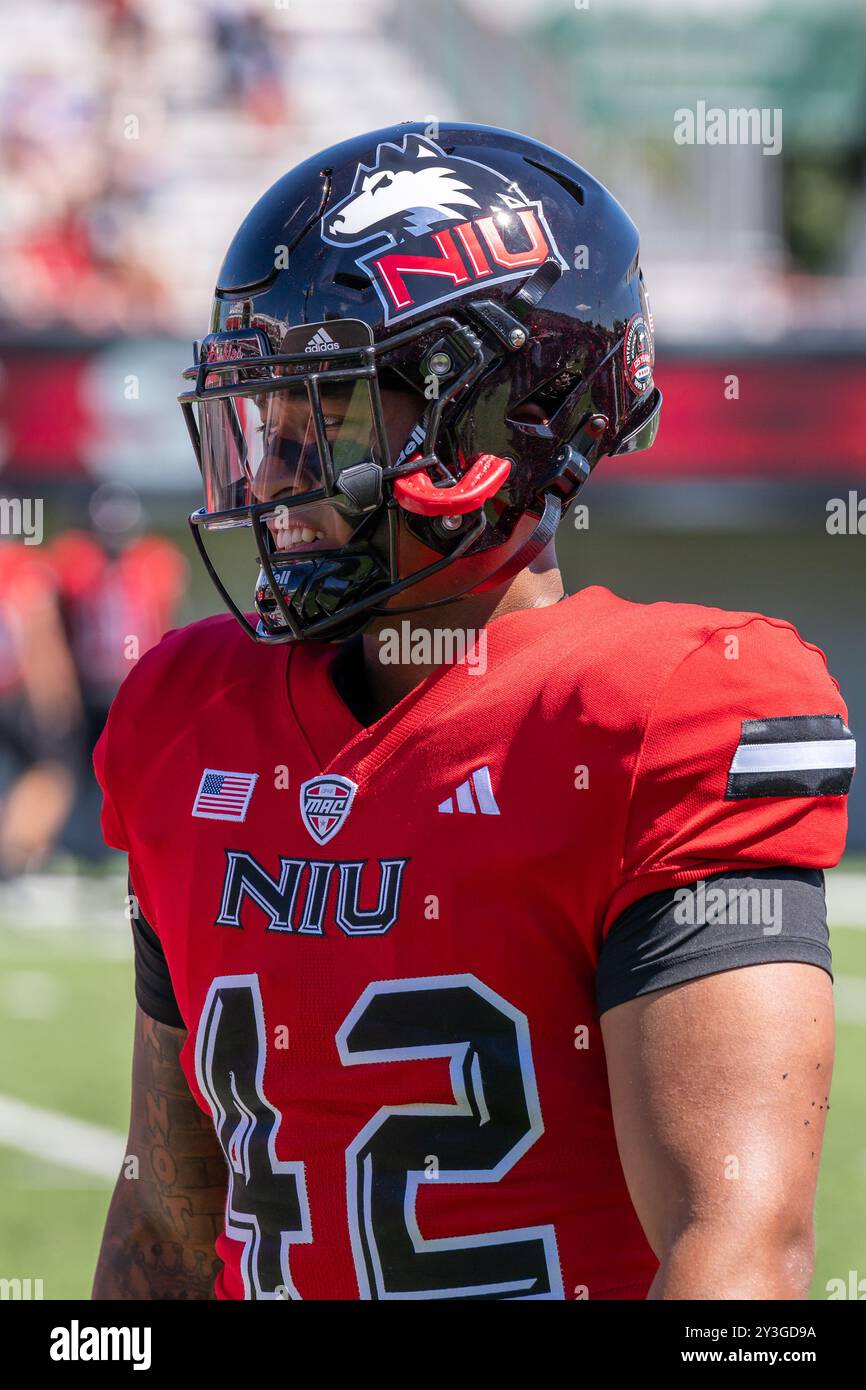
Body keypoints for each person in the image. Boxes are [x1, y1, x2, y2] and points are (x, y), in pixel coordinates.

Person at [92, 123, 853, 1301]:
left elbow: (735, 1252)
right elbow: (165, 1209)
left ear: (489, 421)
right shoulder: (184, 713)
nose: (271, 475)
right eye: (260, 420)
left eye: (324, 413)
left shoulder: (667, 712)